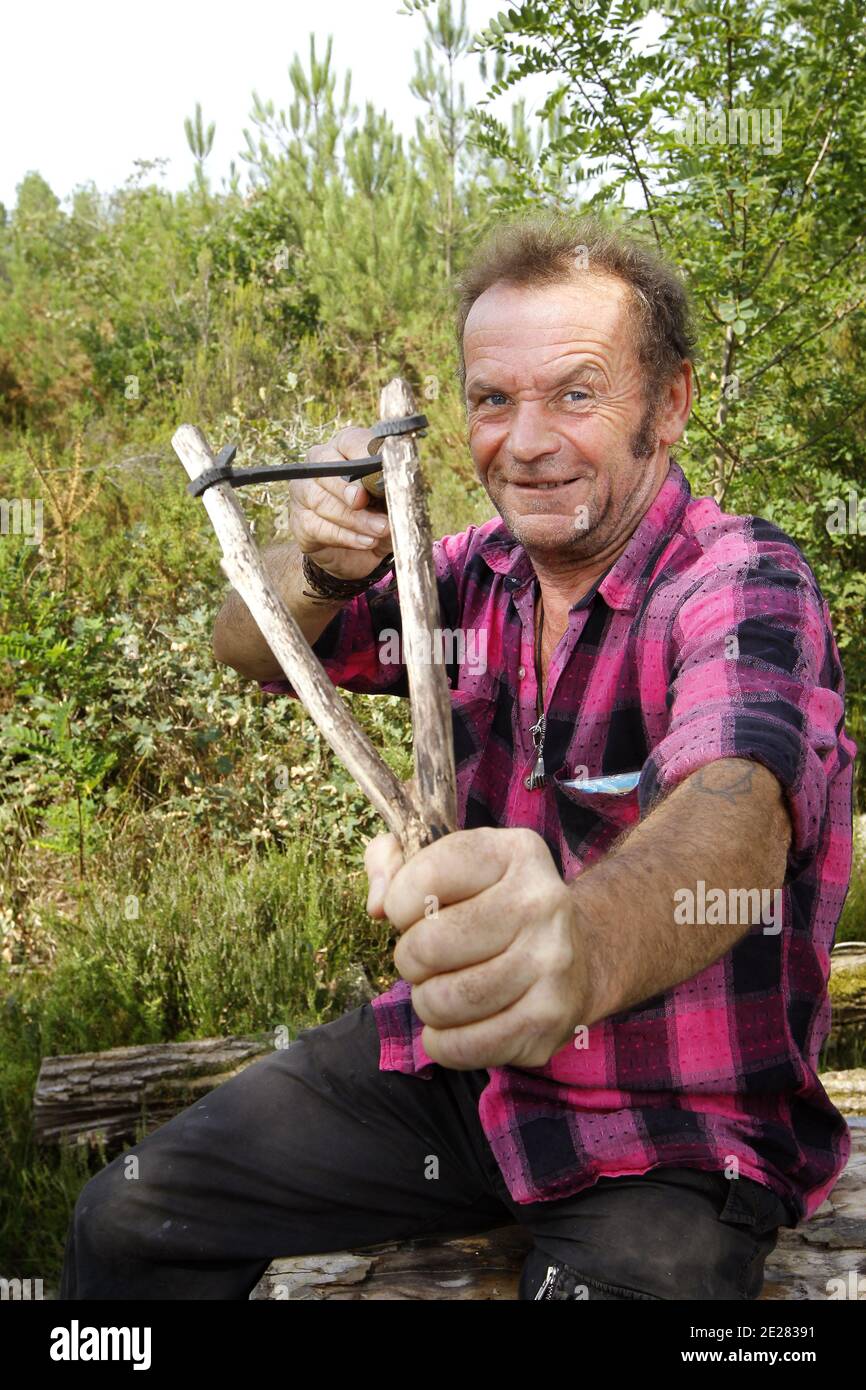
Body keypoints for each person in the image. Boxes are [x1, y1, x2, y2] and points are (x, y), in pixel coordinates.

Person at [60, 213, 855, 1301]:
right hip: (461, 1078)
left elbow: (738, 811)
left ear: (668, 403)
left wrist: (576, 944)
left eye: (575, 393)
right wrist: (318, 566)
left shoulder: (738, 580)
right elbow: (248, 646)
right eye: (491, 399)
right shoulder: (470, 576)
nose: (523, 441)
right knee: (130, 1214)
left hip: (672, 1123)